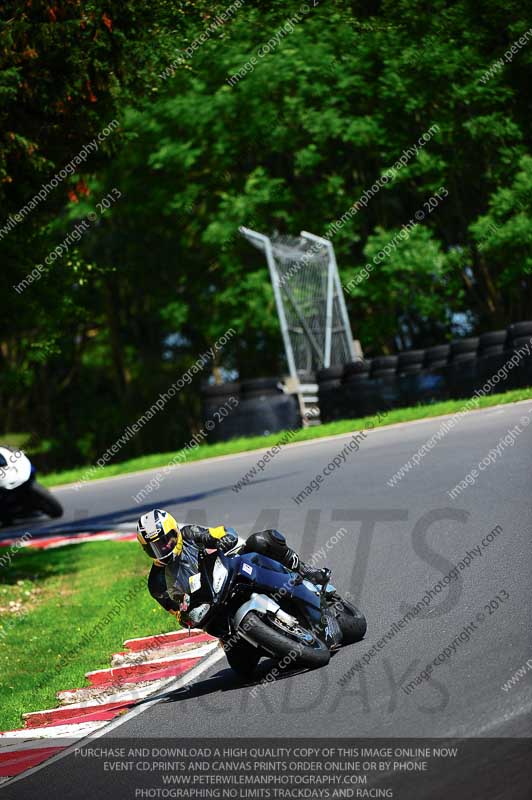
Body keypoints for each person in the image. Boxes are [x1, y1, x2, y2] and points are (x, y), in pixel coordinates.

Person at [137, 508, 329, 621]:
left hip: (229, 571)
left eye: (166, 541)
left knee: (261, 541)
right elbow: (177, 612)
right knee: (241, 669)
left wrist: (226, 538)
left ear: (174, 531)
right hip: (210, 606)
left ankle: (304, 570)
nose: (163, 549)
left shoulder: (189, 534)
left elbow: (219, 532)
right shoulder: (156, 583)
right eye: (154, 548)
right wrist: (184, 614)